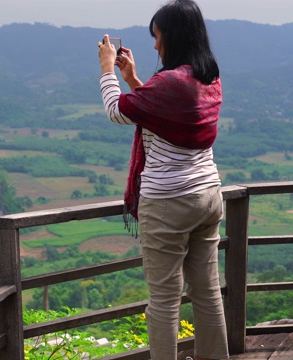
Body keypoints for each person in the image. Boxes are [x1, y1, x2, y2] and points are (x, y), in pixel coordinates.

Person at [96, 0, 229, 359]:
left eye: (157, 37)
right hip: (208, 196)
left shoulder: (169, 82)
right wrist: (134, 80)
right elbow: (165, 114)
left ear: (172, 35)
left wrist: (107, 69)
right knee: (207, 292)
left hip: (169, 202)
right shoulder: (208, 76)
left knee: (164, 301)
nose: (155, 45)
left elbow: (117, 111)